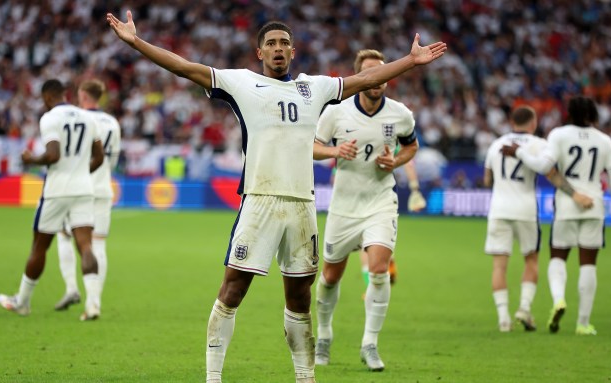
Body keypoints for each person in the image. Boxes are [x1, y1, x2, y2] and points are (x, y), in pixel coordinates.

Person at [107, 11, 446, 383]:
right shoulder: (241, 83)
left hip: (302, 205)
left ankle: (305, 377)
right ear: (259, 53)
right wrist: (136, 43)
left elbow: (365, 78)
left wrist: (410, 62)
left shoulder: (313, 88)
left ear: (294, 51)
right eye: (271, 43)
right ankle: (213, 377)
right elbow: (185, 68)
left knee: (300, 298)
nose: (278, 48)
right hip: (259, 200)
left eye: (284, 42)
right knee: (233, 289)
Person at [312, 49, 420, 371]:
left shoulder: (400, 114)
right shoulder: (336, 113)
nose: (377, 80)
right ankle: (325, 335)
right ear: (360, 77)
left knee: (378, 270)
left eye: (383, 73)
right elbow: (313, 146)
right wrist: (334, 150)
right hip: (344, 206)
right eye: (371, 73)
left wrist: (396, 161)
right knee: (330, 276)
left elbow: (412, 145)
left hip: (380, 202)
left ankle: (370, 343)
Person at [502, 96, 611, 335]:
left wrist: (520, 153)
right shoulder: (604, 140)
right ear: (593, 115)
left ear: (569, 113)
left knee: (558, 257)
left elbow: (543, 166)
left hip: (567, 205)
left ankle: (559, 299)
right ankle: (583, 323)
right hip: (595, 205)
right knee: (588, 264)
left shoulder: (559, 134)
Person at [0, 79, 105, 321]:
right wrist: (79, 174)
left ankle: (23, 302)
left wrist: (31, 160)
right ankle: (93, 304)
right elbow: (99, 158)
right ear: (65, 95)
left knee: (40, 246)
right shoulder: (88, 117)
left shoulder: (50, 118)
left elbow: (53, 155)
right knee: (86, 245)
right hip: (83, 189)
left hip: (57, 190)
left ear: (47, 97)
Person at [484, 105, 593, 333]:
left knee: (499, 266)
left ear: (512, 122)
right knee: (531, 260)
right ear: (533, 123)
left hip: (499, 209)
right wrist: (575, 194)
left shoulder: (496, 144)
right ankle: (524, 309)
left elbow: (487, 181)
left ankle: (504, 320)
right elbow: (551, 174)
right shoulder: (539, 144)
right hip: (526, 210)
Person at [54, 79, 122, 314]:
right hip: (103, 187)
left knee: (64, 235)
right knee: (99, 244)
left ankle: (72, 288)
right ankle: (94, 302)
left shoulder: (76, 120)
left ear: (83, 95)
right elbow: (112, 160)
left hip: (77, 188)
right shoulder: (113, 122)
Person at [359, 159, 426, 288]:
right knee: (381, 235)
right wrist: (415, 189)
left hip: (367, 193)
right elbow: (409, 163)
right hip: (387, 194)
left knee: (364, 241)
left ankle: (371, 285)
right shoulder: (393, 140)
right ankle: (389, 261)